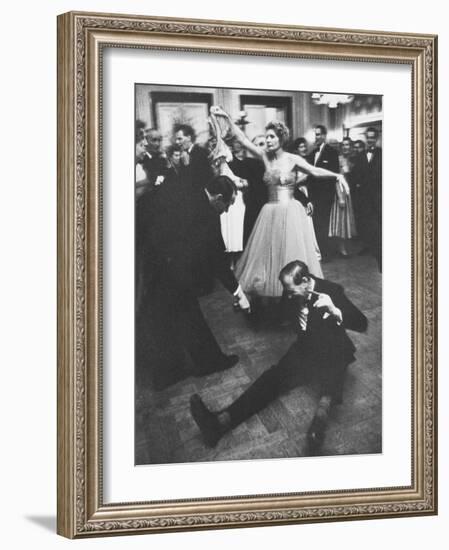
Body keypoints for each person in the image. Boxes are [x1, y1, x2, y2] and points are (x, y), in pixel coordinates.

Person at [190, 260, 368, 455]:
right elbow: (277, 314)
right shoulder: (291, 291)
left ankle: (318, 426)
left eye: (291, 291)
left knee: (328, 392)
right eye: (287, 291)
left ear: (306, 282)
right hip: (305, 350)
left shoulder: (332, 291)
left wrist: (335, 310)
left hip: (333, 350)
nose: (289, 296)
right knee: (270, 380)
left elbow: (361, 322)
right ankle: (220, 423)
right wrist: (249, 308)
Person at [210, 107, 349, 298]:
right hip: (269, 212)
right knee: (270, 256)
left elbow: (314, 171)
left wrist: (337, 175)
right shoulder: (264, 157)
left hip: (291, 212)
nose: (268, 140)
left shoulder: (293, 159)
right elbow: (241, 138)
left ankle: (296, 292)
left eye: (272, 137)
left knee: (291, 254)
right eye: (266, 137)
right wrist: (226, 118)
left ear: (281, 138)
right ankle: (276, 293)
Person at [137, 174, 251, 390]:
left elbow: (145, 202)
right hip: (166, 266)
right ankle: (206, 363)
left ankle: (169, 373)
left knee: (164, 317)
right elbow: (218, 259)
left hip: (152, 260)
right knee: (186, 314)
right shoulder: (207, 214)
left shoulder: (187, 188)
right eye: (227, 204)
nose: (226, 211)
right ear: (218, 197)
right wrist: (238, 293)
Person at [307, 125, 340, 260]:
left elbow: (334, 174)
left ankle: (326, 254)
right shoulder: (312, 153)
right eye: (315, 135)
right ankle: (320, 252)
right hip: (313, 194)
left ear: (325, 136)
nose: (316, 137)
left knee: (324, 225)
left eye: (319, 134)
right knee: (315, 224)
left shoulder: (332, 152)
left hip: (326, 195)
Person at [357, 127, 382, 270]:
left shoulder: (382, 154)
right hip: (364, 196)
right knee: (366, 222)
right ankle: (369, 247)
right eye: (368, 137)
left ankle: (379, 249)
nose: (370, 140)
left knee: (378, 224)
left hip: (378, 195)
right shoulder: (360, 155)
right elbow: (357, 174)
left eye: (373, 137)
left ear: (376, 138)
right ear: (366, 138)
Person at [328, 137, 358, 257]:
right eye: (344, 145)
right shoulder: (338, 159)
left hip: (349, 193)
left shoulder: (351, 159)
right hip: (340, 192)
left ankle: (345, 247)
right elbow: (336, 179)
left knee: (347, 221)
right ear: (341, 146)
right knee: (340, 220)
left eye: (348, 145)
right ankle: (340, 248)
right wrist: (340, 197)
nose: (346, 147)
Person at [174, 123, 214, 189]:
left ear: (189, 138)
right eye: (176, 139)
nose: (177, 142)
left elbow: (204, 178)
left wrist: (187, 165)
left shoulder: (202, 152)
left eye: (180, 139)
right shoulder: (182, 155)